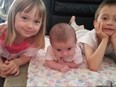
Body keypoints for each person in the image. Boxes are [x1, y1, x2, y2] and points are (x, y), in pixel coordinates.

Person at [0, 0, 46, 86]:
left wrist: (17, 62)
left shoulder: (35, 40)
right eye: (24, 18)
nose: (30, 26)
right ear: (12, 16)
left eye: (36, 21)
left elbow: (27, 56)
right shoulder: (2, 32)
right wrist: (1, 66)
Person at [70, 0, 116, 71]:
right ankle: (73, 24)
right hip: (79, 35)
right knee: (72, 30)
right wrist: (104, 39)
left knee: (83, 30)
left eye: (115, 19)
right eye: (105, 18)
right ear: (95, 24)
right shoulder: (90, 37)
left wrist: (114, 40)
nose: (110, 23)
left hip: (86, 32)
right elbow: (93, 66)